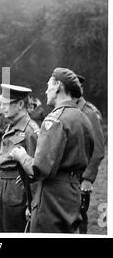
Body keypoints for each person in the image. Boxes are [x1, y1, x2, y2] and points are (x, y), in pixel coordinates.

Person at [11, 68, 94, 233]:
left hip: (52, 197)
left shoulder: (54, 120)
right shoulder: (84, 118)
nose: (46, 90)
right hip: (73, 192)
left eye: (48, 85)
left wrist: (22, 157)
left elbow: (39, 170)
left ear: (58, 86)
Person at [0, 84, 39, 232]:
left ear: (20, 104)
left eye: (5, 104)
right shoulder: (12, 127)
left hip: (19, 197)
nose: (2, 107)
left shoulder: (30, 131)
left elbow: (36, 172)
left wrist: (31, 205)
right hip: (5, 192)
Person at [76, 75, 105, 234]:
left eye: (78, 86)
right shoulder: (67, 110)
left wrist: (88, 178)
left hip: (81, 176)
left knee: (79, 217)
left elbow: (99, 149)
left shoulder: (89, 113)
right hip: (68, 176)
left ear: (81, 89)